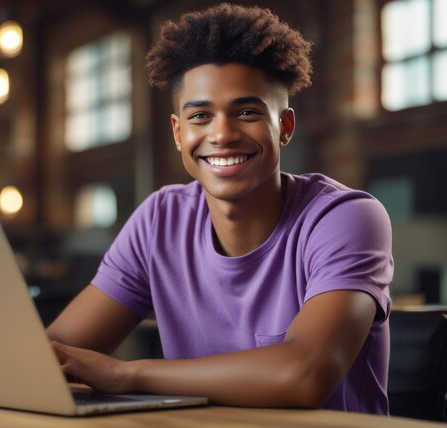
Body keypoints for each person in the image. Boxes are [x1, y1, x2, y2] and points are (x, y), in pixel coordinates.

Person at [48, 3, 393, 414]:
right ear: (179, 133)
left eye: (246, 112)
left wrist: (126, 374)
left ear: (284, 127)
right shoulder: (160, 220)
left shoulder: (345, 218)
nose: (223, 134)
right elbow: (53, 357)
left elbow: (303, 374)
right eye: (201, 115)